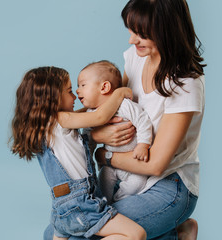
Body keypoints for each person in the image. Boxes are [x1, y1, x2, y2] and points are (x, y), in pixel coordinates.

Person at [43, 0, 205, 239]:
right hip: (125, 177)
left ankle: (172, 226)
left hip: (168, 185)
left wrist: (104, 155)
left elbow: (155, 165)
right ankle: (172, 232)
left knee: (79, 233)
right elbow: (115, 111)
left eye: (141, 34)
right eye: (130, 30)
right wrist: (98, 136)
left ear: (166, 30)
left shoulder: (185, 84)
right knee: (55, 232)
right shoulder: (136, 57)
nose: (131, 40)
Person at [11, 66, 146, 240]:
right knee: (136, 234)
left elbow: (88, 114)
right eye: (69, 91)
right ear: (52, 98)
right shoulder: (60, 120)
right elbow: (99, 117)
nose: (75, 96)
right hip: (81, 204)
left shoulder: (44, 127)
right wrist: (118, 94)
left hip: (61, 209)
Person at [77, 60, 153, 204]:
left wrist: (143, 144)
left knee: (137, 184)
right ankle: (104, 203)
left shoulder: (124, 105)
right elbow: (87, 138)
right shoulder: (91, 113)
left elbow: (143, 120)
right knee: (103, 185)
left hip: (133, 163)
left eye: (83, 85)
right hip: (109, 167)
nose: (77, 90)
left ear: (104, 87)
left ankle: (118, 200)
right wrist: (88, 157)